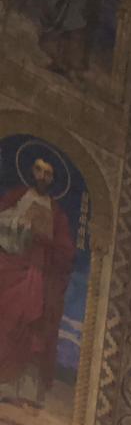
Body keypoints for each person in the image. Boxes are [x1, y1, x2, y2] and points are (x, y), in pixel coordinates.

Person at [0, 153, 75, 410]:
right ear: (32, 171)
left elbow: (66, 251)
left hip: (38, 271)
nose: (43, 176)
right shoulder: (18, 196)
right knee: (7, 320)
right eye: (39, 170)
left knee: (31, 325)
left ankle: (21, 389)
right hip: (10, 265)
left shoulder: (56, 213)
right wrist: (20, 225)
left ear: (53, 179)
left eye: (48, 173)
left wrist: (46, 239)